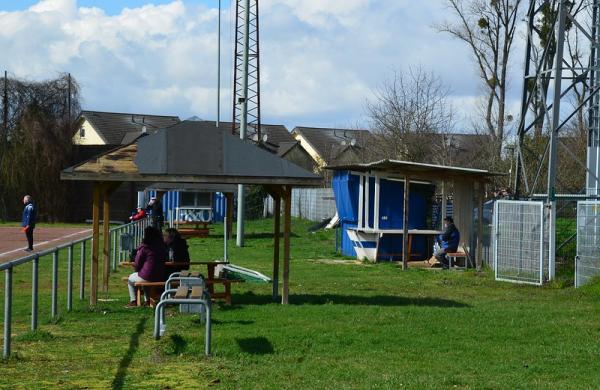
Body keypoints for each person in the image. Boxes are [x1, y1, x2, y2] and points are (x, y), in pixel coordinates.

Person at [126, 226, 167, 307]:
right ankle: (147, 300)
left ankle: (133, 301)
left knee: (131, 278)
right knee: (145, 278)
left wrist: (138, 269)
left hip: (147, 276)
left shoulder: (145, 248)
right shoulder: (162, 247)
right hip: (160, 275)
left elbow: (137, 263)